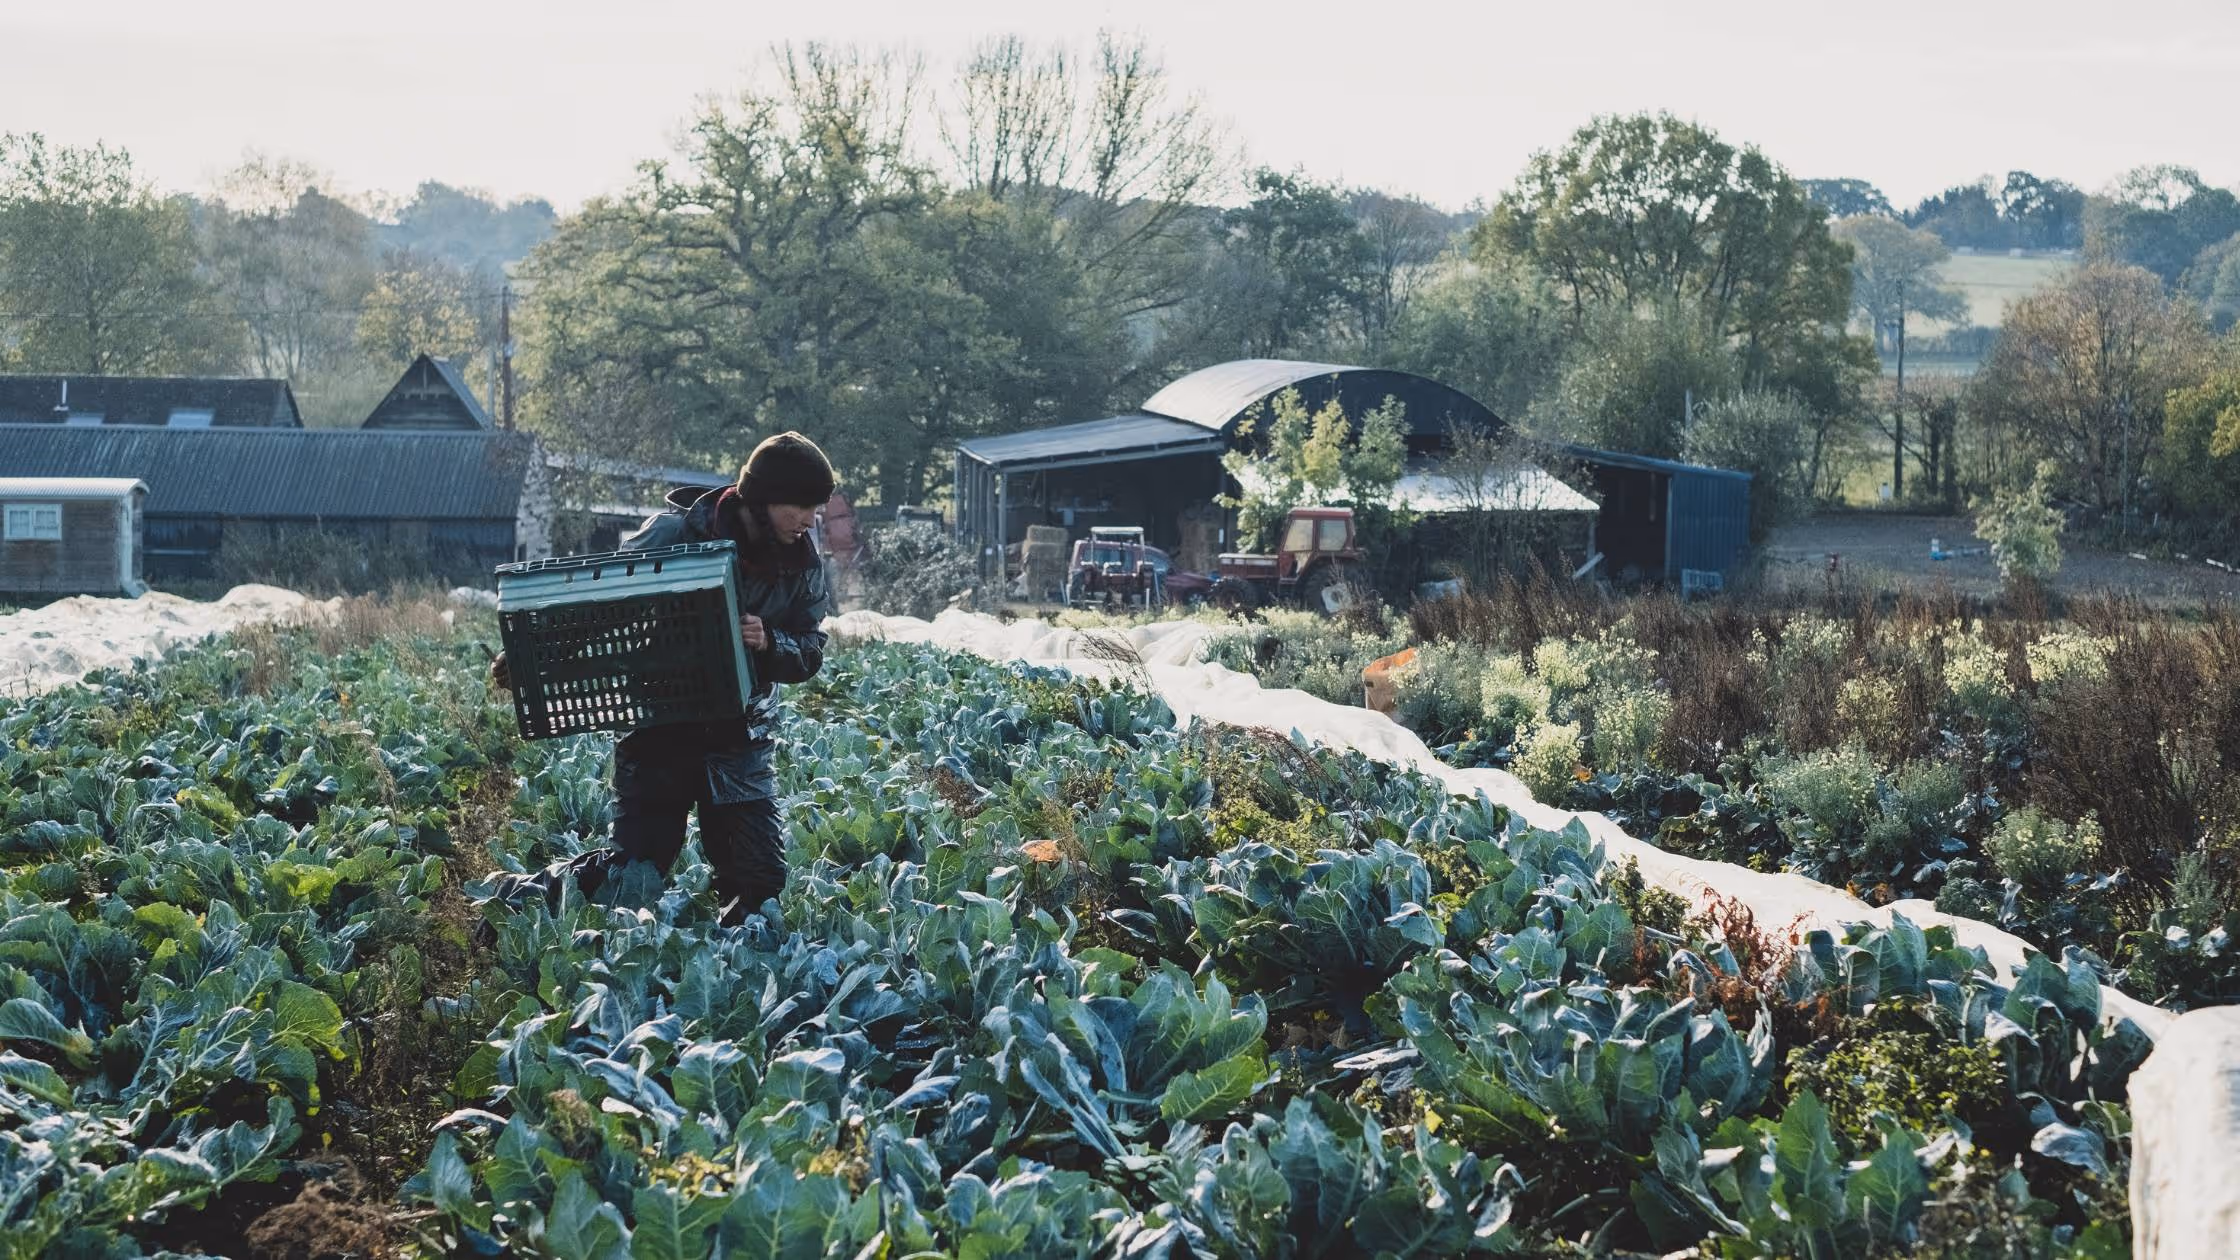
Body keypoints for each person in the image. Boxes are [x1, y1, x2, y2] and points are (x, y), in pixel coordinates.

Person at [486, 431, 834, 930]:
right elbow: (596, 604)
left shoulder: (801, 562)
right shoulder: (674, 535)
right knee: (633, 872)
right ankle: (518, 898)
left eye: (816, 510)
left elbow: (810, 646)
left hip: (739, 734)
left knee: (759, 882)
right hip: (660, 724)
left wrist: (771, 641)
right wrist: (530, 656)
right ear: (763, 499)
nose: (809, 521)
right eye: (800, 507)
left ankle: (730, 965)